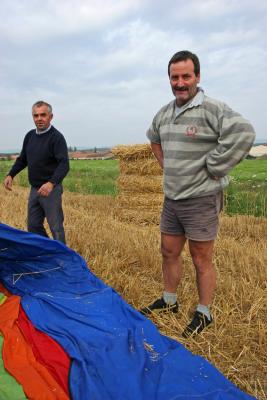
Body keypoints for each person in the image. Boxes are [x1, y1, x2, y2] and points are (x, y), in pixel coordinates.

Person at [140, 50, 255, 337]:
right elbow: (153, 138)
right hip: (172, 198)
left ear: (197, 77)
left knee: (200, 258)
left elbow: (245, 133)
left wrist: (216, 166)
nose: (180, 82)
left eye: (185, 76)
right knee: (168, 252)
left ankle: (204, 312)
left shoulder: (213, 109)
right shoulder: (165, 113)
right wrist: (166, 164)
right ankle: (169, 301)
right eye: (174, 77)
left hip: (202, 199)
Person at [4, 101, 69, 244]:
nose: (39, 118)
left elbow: (64, 164)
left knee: (56, 227)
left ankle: (62, 258)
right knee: (33, 226)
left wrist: (51, 183)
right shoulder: (30, 136)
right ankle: (47, 251)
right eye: (36, 115)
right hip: (35, 189)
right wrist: (11, 174)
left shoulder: (56, 138)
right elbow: (23, 159)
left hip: (51, 190)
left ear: (51, 117)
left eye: (43, 115)